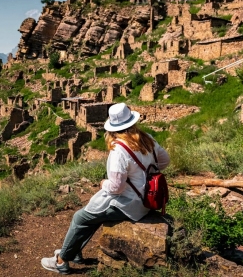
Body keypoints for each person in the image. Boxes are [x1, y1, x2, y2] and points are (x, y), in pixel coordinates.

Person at [41, 102, 170, 274]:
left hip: (130, 205)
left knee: (80, 217)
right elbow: (164, 161)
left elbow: (116, 187)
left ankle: (61, 261)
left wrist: (103, 184)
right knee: (91, 215)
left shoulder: (119, 150)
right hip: (147, 200)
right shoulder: (147, 139)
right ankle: (75, 252)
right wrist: (143, 175)